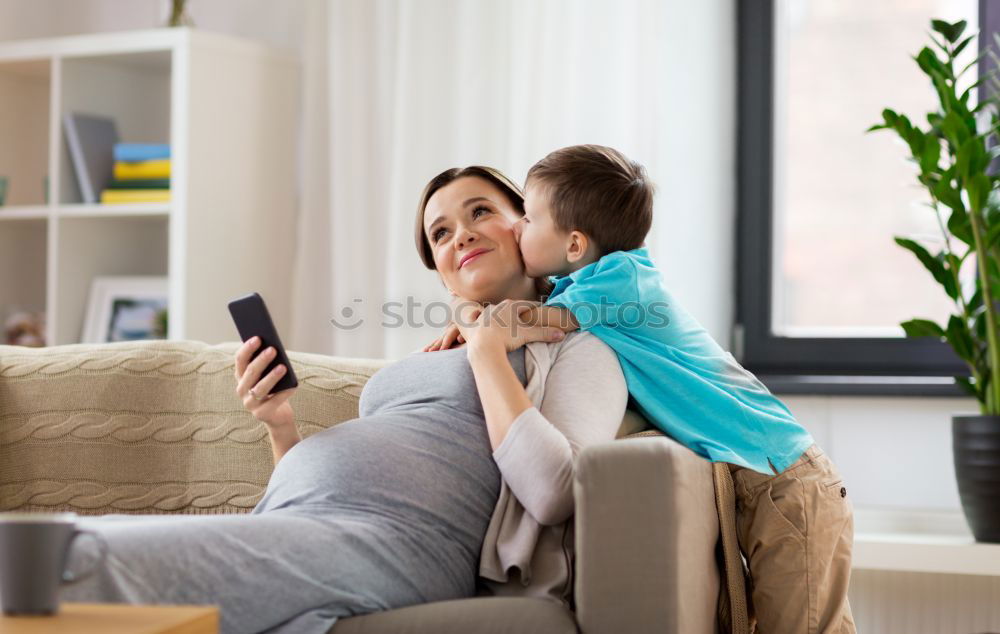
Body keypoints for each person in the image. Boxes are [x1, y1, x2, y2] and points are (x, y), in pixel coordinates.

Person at [58, 165, 627, 634]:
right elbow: (332, 484)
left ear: (526, 228)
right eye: (441, 233)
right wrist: (281, 426)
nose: (462, 235)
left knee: (64, 559)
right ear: (446, 279)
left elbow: (555, 490)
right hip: (298, 522)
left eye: (480, 212)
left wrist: (487, 351)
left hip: (394, 544)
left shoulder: (578, 347)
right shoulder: (431, 354)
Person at [430, 145, 855, 633]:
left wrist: (467, 312)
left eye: (527, 217)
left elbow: (518, 321)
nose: (519, 227)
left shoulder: (622, 281)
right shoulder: (581, 287)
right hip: (763, 475)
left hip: (785, 474)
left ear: (573, 245)